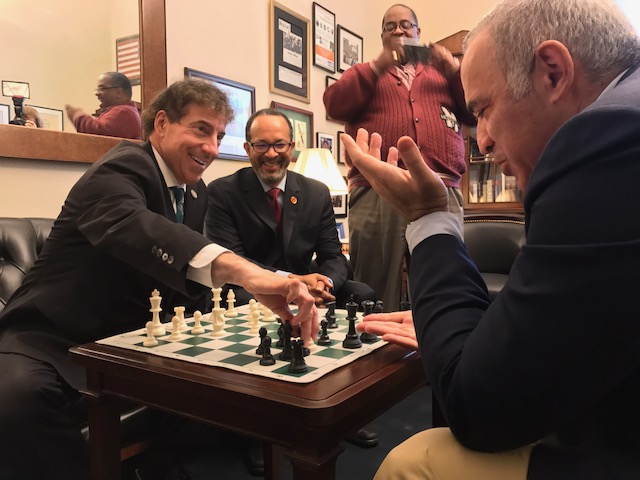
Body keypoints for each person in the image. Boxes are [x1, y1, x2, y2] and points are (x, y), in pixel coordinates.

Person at [342, 0, 640, 478]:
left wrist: (426, 214)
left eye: (482, 109)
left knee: (412, 461)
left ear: (552, 72)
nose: (479, 140)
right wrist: (479, 341)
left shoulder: (611, 139)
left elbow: (478, 410)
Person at [0, 79, 317, 480]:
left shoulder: (196, 193)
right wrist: (253, 275)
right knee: (14, 402)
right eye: (201, 129)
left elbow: (182, 277)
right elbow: (139, 228)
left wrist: (249, 306)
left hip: (129, 342)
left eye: (219, 136)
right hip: (51, 338)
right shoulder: (123, 165)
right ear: (162, 122)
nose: (213, 149)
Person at [323, 4, 475, 312]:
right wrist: (379, 65)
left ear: (419, 33)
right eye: (390, 26)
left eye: (406, 25)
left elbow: (474, 109)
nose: (399, 31)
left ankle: (440, 347)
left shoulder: (442, 75)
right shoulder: (365, 72)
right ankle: (373, 352)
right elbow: (334, 105)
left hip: (443, 188)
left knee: (444, 277)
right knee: (374, 285)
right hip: (377, 189)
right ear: (381, 36)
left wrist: (455, 73)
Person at [206, 108, 376, 310]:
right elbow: (233, 262)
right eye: (261, 145)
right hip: (251, 289)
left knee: (362, 294)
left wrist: (324, 285)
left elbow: (333, 256)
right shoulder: (222, 192)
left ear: (291, 147)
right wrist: (293, 282)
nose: (271, 154)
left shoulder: (317, 193)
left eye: (279, 144)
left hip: (309, 286)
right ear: (247, 148)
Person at [65, 71, 142, 139]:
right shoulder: (128, 110)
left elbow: (96, 133)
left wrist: (77, 115)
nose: (97, 93)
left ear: (119, 92)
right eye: (97, 90)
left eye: (102, 89)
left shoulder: (123, 111)